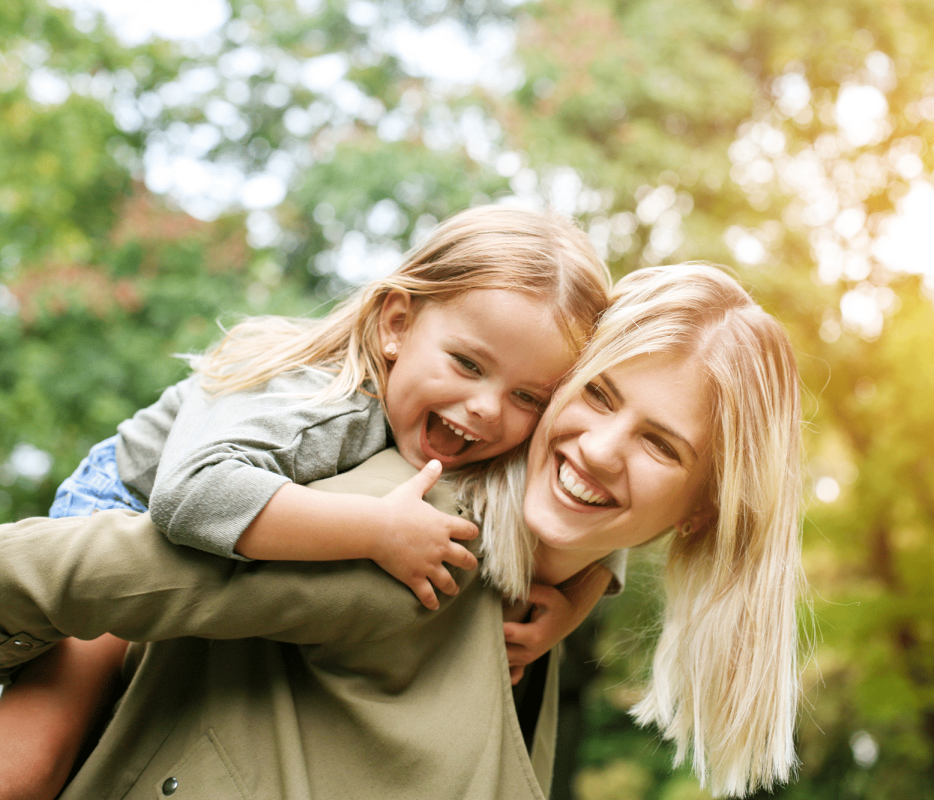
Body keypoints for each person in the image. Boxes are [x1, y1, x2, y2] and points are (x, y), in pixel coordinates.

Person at [0, 263, 804, 799]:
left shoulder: (540, 599)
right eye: (596, 395)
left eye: (661, 445)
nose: (598, 448)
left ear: (703, 510)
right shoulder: (406, 535)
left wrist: (590, 584)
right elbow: (52, 569)